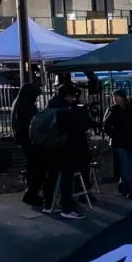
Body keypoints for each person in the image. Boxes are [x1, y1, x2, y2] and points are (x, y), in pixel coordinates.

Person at [40, 83, 91, 220]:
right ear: (69, 96)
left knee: (51, 175)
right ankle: (67, 207)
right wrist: (82, 107)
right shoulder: (67, 110)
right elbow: (83, 125)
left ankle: (48, 204)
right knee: (67, 177)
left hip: (50, 147)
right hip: (66, 148)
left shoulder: (51, 106)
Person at [103, 89, 132, 199]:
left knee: (128, 166)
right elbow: (106, 125)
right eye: (113, 97)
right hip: (118, 143)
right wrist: (113, 135)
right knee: (124, 167)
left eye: (117, 96)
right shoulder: (113, 110)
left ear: (123, 98)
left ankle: (122, 186)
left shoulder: (131, 109)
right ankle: (127, 190)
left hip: (130, 141)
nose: (114, 99)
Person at [12, 82, 45, 207]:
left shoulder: (19, 103)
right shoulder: (26, 106)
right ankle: (31, 193)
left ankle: (31, 192)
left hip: (24, 139)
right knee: (38, 168)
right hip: (30, 140)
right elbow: (36, 120)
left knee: (32, 167)